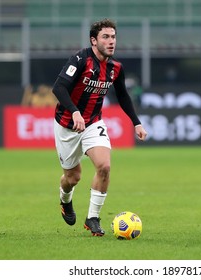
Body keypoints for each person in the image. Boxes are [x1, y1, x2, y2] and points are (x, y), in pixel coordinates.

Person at [52, 18, 147, 236]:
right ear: (94, 40)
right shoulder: (80, 59)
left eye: (113, 37)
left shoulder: (115, 68)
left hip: (93, 122)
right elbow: (59, 88)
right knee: (72, 177)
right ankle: (65, 200)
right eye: (106, 37)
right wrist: (75, 111)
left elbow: (123, 95)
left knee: (104, 166)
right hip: (67, 124)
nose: (111, 41)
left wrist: (136, 122)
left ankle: (92, 218)